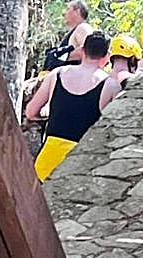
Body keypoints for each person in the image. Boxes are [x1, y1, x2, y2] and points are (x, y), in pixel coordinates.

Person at [26, 31, 121, 182]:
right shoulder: (111, 86)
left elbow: (30, 112)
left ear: (83, 50)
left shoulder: (56, 74)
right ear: (107, 56)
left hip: (48, 160)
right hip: (81, 162)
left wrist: (48, 117)